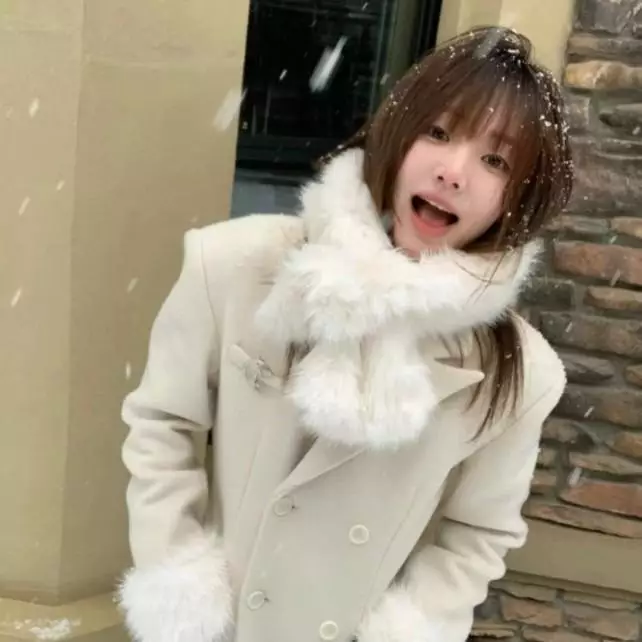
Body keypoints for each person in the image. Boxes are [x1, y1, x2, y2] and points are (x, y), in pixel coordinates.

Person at [117, 26, 572, 642]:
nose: (452, 172)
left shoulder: (519, 375)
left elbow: (478, 534)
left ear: (517, 200)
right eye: (438, 132)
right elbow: (163, 424)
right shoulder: (234, 265)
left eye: (496, 161)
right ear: (398, 132)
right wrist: (179, 575)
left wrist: (409, 628)